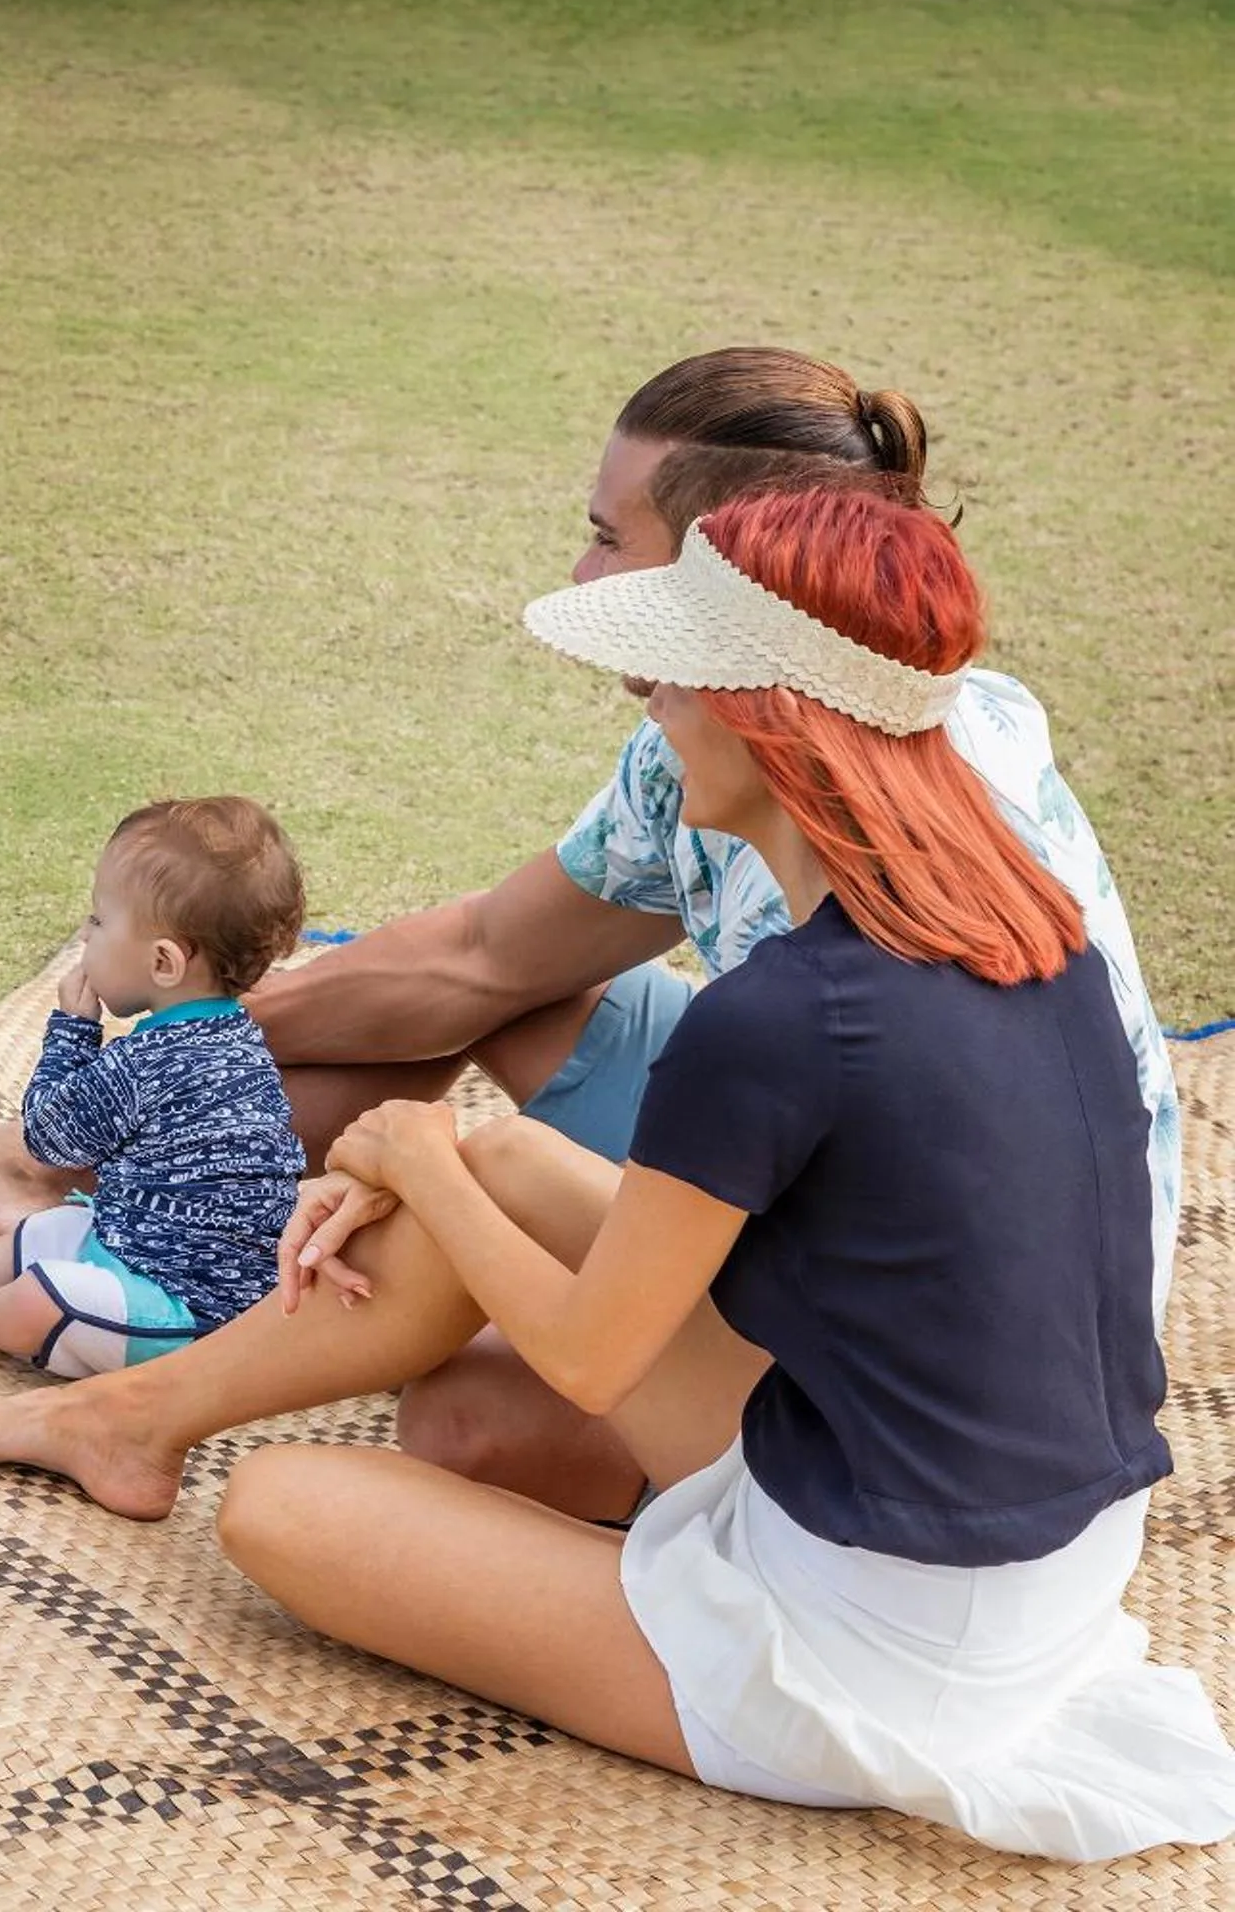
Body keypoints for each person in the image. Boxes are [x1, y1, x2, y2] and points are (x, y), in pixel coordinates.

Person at [0, 348, 1182, 1522]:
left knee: (459, 1416)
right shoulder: (785, 740)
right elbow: (479, 961)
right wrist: (168, 1065)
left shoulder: (829, 932)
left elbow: (825, 1180)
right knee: (491, 1013)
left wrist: (451, 1206)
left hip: (940, 1325)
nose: (580, 571)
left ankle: (135, 1328)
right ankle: (80, 1183)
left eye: (607, 539)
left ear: (731, 585)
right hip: (841, 1183)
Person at [85, 491, 1235, 1857]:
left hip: (873, 1638)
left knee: (282, 1506)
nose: (651, 713)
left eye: (674, 681)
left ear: (764, 710)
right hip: (1040, 1567)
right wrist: (473, 1166)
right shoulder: (1035, 933)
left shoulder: (781, 1016)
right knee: (513, 1170)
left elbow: (584, 1355)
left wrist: (411, 1151)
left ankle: (705, 1644)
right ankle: (144, 1414)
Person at [0, 798, 305, 1375]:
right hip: (185, 1279)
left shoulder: (145, 1062)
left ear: (164, 963)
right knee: (61, 1225)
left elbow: (46, 1138)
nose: (86, 936)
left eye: (98, 921)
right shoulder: (238, 1040)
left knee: (48, 1292)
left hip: (182, 1321)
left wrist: (73, 1030)